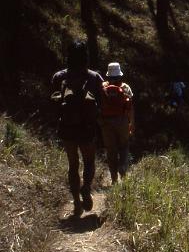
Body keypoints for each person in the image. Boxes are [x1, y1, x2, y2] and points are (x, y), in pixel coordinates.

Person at [51, 40, 104, 216]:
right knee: (89, 162)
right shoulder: (94, 77)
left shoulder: (59, 77)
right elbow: (102, 103)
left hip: (67, 128)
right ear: (85, 56)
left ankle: (76, 205)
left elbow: (52, 104)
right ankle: (86, 188)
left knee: (73, 165)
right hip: (87, 128)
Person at [99, 62, 134, 184]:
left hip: (106, 122)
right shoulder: (125, 87)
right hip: (122, 121)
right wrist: (131, 123)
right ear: (119, 74)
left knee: (111, 150)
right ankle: (123, 168)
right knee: (124, 146)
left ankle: (114, 178)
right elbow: (130, 107)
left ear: (108, 74)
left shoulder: (102, 87)